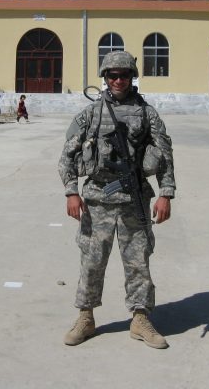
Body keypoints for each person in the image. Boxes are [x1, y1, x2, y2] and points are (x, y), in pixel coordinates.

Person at [58, 51, 176, 349]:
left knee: (138, 262)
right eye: (112, 76)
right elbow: (67, 155)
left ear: (132, 76)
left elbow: (164, 155)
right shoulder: (91, 114)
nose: (118, 80)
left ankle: (140, 318)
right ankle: (86, 317)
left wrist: (166, 193)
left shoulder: (147, 114)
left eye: (124, 75)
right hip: (97, 199)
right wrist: (71, 190)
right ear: (105, 78)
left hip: (133, 200)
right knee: (92, 261)